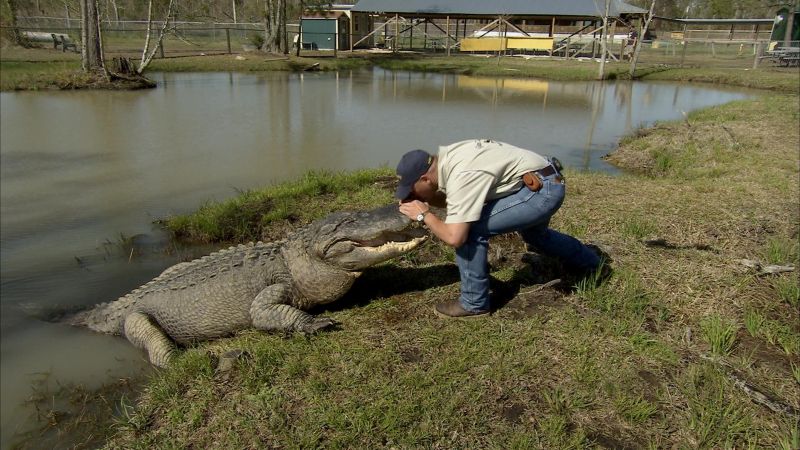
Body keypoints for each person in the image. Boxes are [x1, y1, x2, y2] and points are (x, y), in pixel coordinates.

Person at [396, 139, 601, 318]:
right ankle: (590, 262)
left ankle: (474, 304)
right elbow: (453, 200)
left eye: (411, 190)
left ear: (425, 179)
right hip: (543, 178)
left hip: (541, 190)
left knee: (471, 232)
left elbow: (455, 237)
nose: (409, 195)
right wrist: (424, 199)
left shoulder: (463, 175)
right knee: (536, 235)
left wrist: (424, 215)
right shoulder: (449, 157)